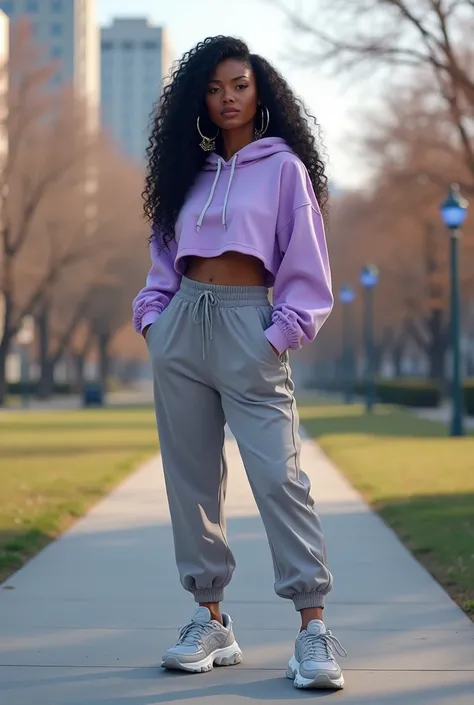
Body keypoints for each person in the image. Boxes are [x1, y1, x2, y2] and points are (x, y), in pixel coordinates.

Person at [133, 36, 346, 691]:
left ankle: (312, 629)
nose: (228, 98)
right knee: (192, 482)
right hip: (183, 328)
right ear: (201, 97)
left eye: (240, 85)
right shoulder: (186, 173)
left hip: (251, 323)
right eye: (216, 88)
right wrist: (153, 317)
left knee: (280, 478)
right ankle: (210, 618)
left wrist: (278, 334)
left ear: (261, 93)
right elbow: (164, 258)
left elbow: (308, 267)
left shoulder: (284, 170)